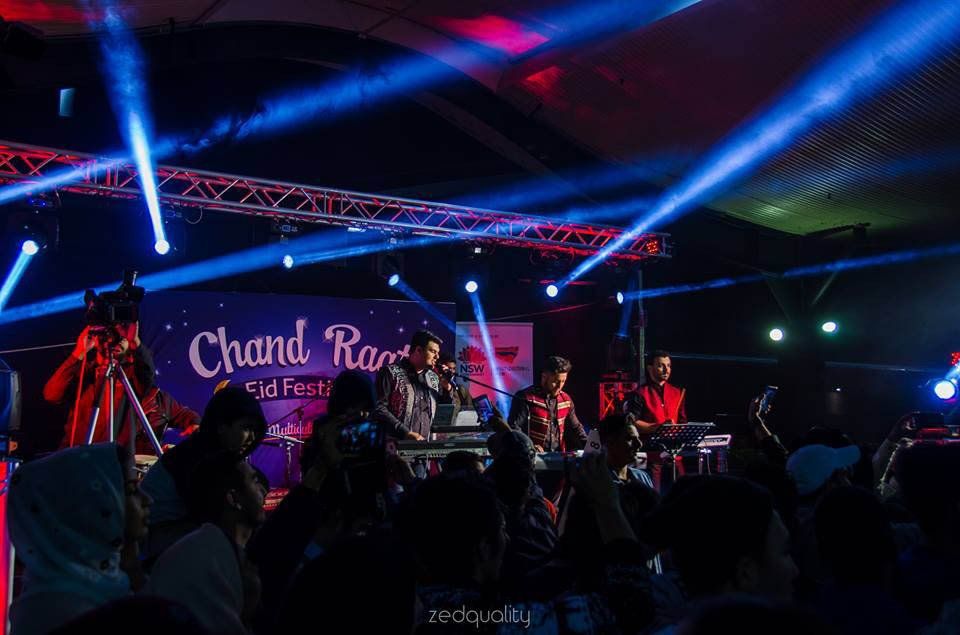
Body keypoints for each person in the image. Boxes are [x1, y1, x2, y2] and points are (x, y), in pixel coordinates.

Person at [8, 444, 149, 634]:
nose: (147, 499)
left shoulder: (109, 582)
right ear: (89, 505)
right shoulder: (65, 612)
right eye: (131, 491)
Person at [140, 386, 266, 564]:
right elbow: (210, 515)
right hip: (159, 539)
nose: (252, 437)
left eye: (256, 430)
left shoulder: (212, 454)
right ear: (222, 427)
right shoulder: (196, 460)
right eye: (246, 428)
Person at [146, 452, 268, 634]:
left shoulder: (216, 550)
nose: (263, 491)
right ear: (234, 499)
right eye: (254, 481)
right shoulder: (205, 561)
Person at [43, 323, 199, 450]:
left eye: (121, 338)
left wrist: (134, 340)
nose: (114, 342)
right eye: (108, 336)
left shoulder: (146, 391)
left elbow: (146, 374)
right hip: (81, 459)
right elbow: (51, 394)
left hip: (121, 466)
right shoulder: (85, 377)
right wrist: (79, 352)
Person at [623, 350, 687, 489]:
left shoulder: (677, 392)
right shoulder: (639, 393)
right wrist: (658, 427)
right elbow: (632, 422)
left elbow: (682, 422)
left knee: (681, 492)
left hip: (673, 454)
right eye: (661, 365)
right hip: (649, 453)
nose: (666, 369)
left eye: (668, 365)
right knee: (652, 494)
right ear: (650, 368)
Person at [508, 356, 587, 453]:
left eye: (563, 381)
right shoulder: (525, 397)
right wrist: (529, 446)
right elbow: (514, 428)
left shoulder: (566, 400)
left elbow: (576, 428)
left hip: (558, 456)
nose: (559, 386)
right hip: (531, 456)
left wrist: (590, 445)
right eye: (555, 381)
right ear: (544, 377)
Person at [375, 329, 443, 441]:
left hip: (425, 446)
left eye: (437, 352)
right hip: (395, 445)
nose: (437, 357)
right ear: (418, 350)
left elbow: (444, 412)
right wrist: (406, 432)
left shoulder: (434, 378)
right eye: (433, 351)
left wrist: (448, 388)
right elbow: (379, 408)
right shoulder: (390, 372)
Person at [437, 351, 474, 421]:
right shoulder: (432, 387)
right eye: (449, 368)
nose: (451, 372)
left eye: (453, 369)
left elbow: (471, 411)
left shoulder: (461, 390)